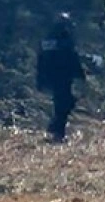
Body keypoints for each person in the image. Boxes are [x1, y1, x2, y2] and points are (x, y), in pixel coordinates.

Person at [36, 12, 86, 143]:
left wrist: (40, 78)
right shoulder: (65, 40)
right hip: (63, 76)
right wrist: (80, 74)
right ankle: (57, 132)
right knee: (65, 103)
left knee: (62, 103)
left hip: (51, 76)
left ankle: (55, 129)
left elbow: (41, 60)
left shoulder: (47, 41)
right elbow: (72, 58)